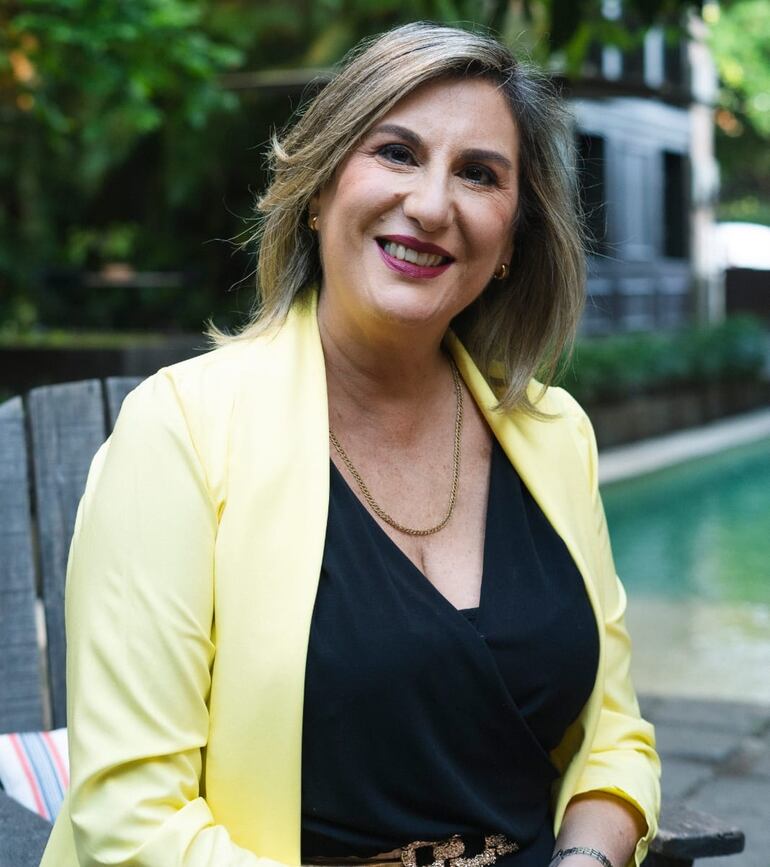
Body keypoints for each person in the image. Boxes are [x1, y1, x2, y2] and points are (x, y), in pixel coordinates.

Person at [40, 21, 660, 867]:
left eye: (479, 174)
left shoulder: (554, 436)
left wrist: (587, 858)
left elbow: (614, 735)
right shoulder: (179, 429)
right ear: (319, 189)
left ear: (511, 242)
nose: (433, 205)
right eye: (397, 153)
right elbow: (131, 815)